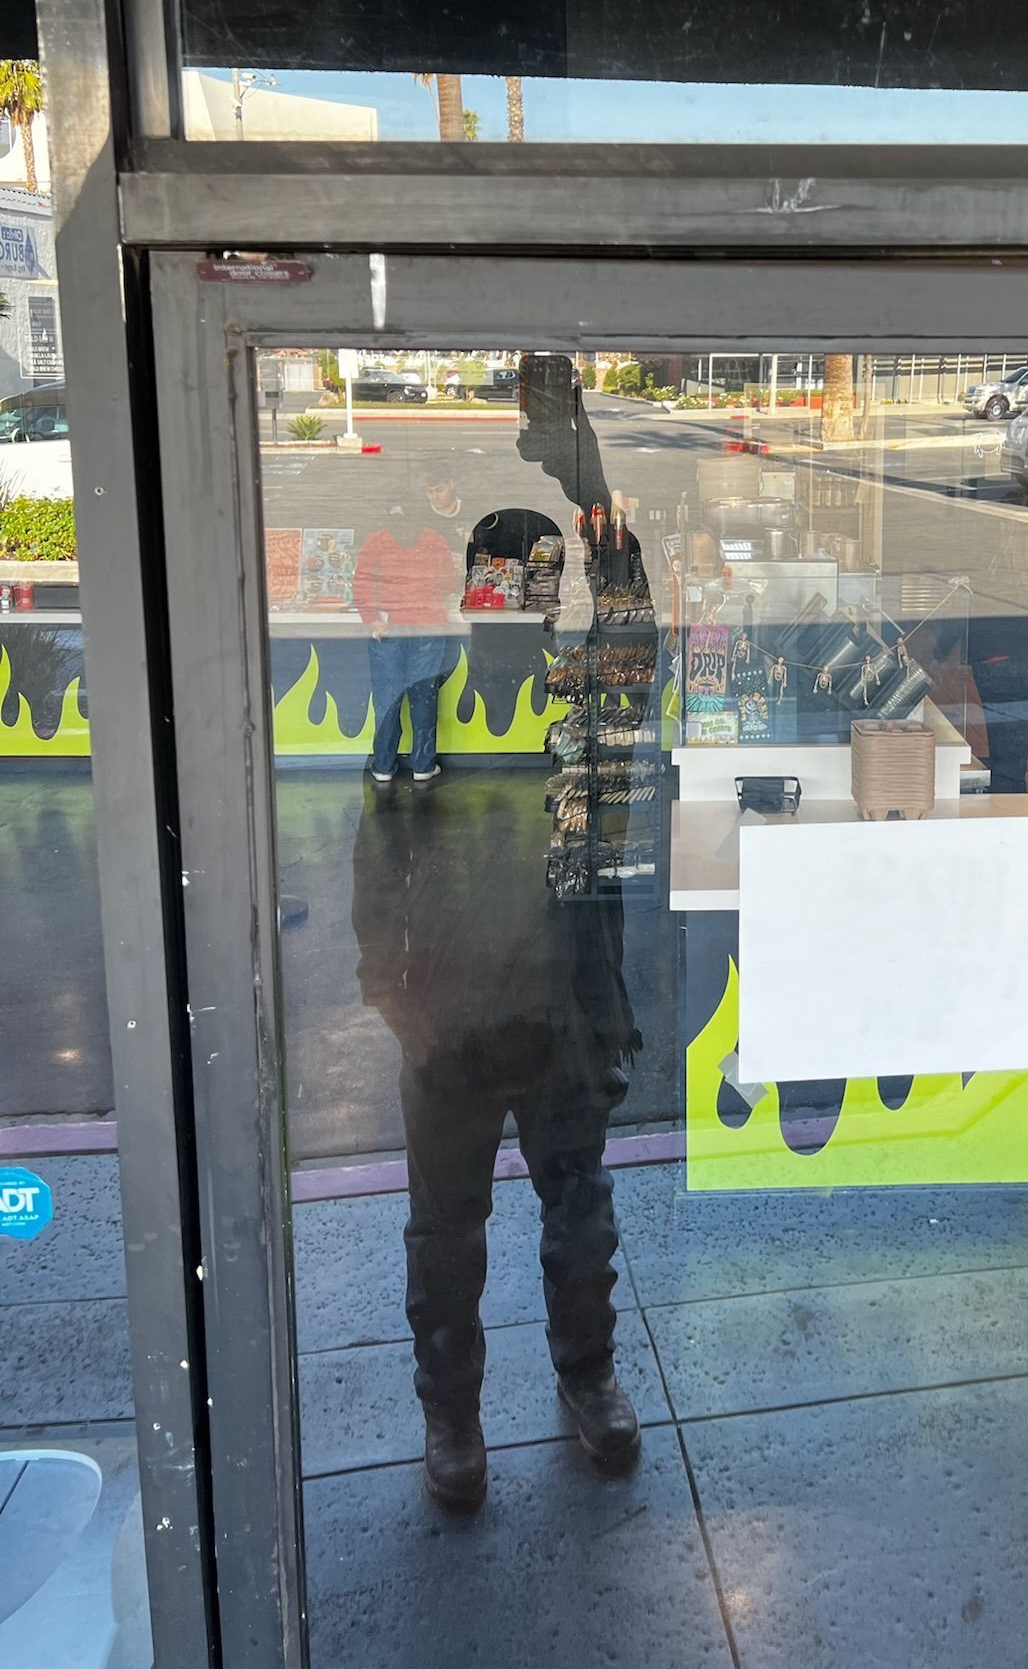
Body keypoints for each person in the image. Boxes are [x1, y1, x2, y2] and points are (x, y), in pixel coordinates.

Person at [353, 366, 646, 1515]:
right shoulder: (419, 711)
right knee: (444, 1239)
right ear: (473, 593)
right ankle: (452, 1411)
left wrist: (586, 472)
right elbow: (374, 870)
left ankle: (589, 1381)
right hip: (450, 1030)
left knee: (581, 1219)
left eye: (538, 586)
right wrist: (401, 1004)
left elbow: (635, 618)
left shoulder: (584, 707)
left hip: (562, 1021)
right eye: (501, 584)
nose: (517, 605)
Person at [352, 468, 465, 784]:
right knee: (423, 698)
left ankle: (384, 766)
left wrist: (372, 618)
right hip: (427, 629)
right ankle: (423, 765)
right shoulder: (434, 539)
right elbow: (447, 583)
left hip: (387, 631)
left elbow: (360, 584)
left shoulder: (377, 541)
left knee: (387, 700)